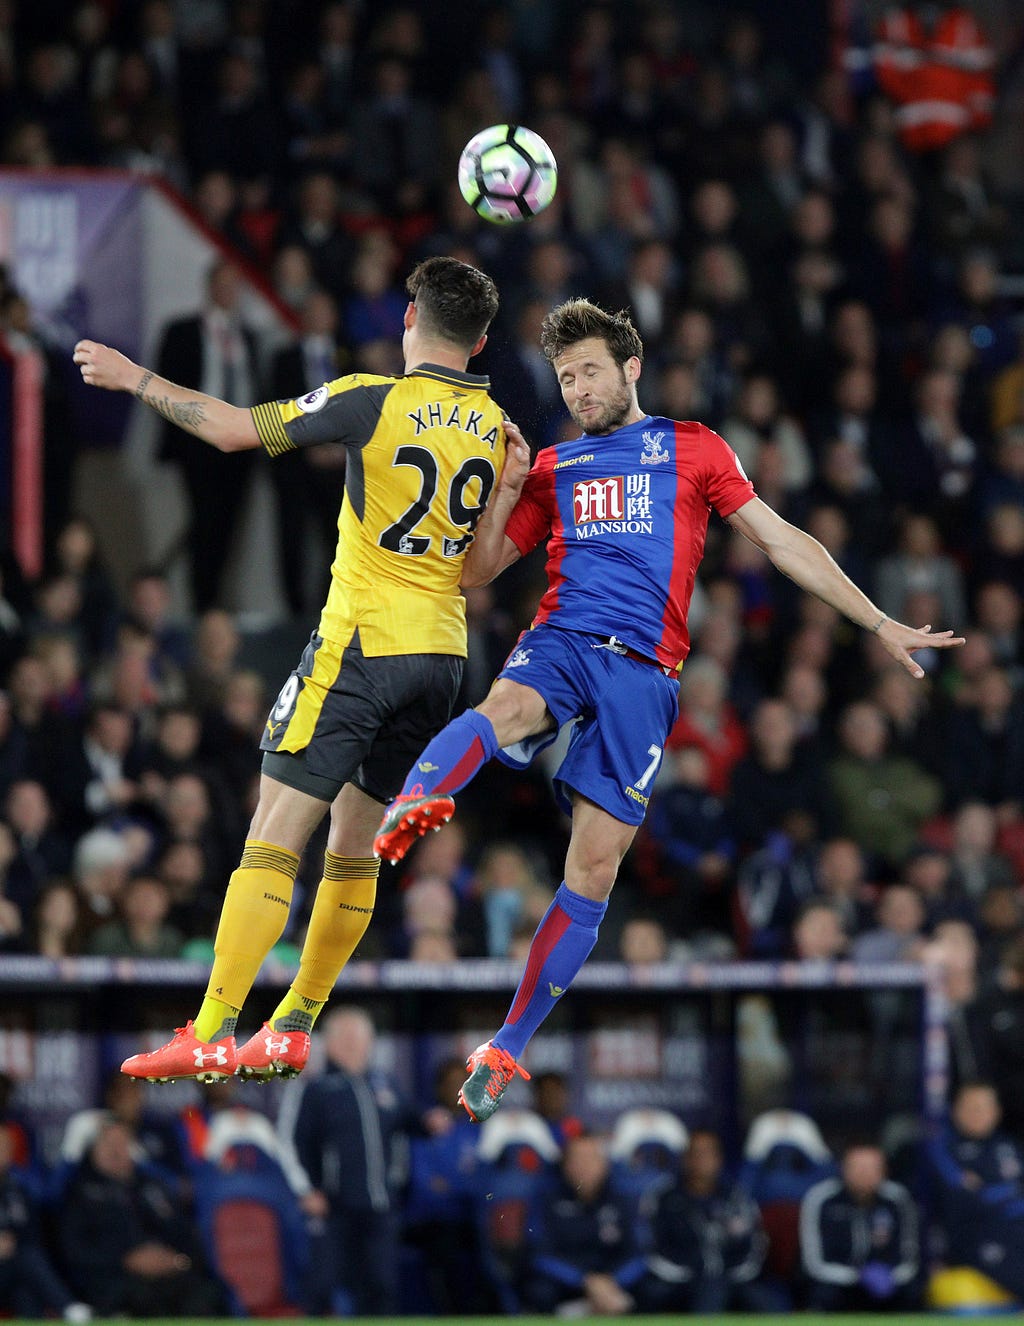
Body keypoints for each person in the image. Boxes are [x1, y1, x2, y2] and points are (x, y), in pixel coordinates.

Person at [373, 297, 965, 1121]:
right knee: (506, 704)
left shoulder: (692, 448)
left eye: (588, 372)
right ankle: (413, 802)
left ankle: (506, 1043)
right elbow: (477, 574)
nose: (576, 389)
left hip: (646, 678)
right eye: (564, 376)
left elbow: (783, 538)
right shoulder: (551, 466)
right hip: (565, 634)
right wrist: (508, 489)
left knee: (594, 870)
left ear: (630, 368)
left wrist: (876, 619)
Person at [74, 255, 525, 1082]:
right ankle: (293, 1023)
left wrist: (136, 377)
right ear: (484, 339)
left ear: (409, 320)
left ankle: (211, 1028)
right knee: (353, 851)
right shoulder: (500, 428)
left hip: (361, 644)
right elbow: (477, 572)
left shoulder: (371, 398)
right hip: (442, 660)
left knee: (273, 835)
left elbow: (230, 429)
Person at [800, 1140, 920, 1310]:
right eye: (857, 1167)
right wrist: (857, 1277)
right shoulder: (822, 1198)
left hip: (886, 1284)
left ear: (884, 1171)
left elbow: (909, 1257)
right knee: (821, 1294)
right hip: (837, 1282)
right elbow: (813, 1262)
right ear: (843, 1169)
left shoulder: (897, 1200)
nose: (864, 1174)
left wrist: (888, 1276)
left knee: (912, 1293)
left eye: (871, 1168)